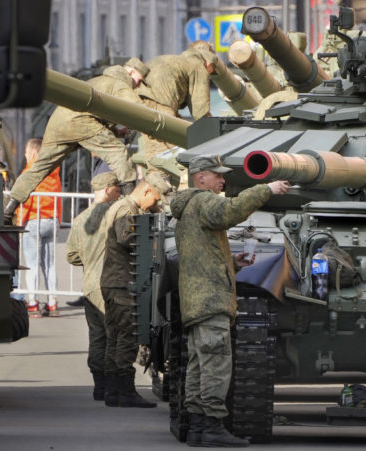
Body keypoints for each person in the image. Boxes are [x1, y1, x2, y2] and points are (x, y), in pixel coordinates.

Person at [169, 155, 290, 447]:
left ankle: (199, 427)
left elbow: (202, 256)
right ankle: (212, 426)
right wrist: (266, 190)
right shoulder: (203, 201)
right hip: (211, 300)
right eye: (217, 175)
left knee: (200, 365)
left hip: (198, 300)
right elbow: (231, 211)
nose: (223, 180)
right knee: (216, 364)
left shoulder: (189, 207)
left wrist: (232, 263)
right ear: (201, 178)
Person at [4, 57, 150, 223]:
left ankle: (8, 211)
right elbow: (139, 109)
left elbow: (97, 113)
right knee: (120, 155)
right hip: (80, 122)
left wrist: (117, 132)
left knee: (39, 168)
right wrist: (154, 119)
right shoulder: (120, 84)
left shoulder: (98, 80)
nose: (137, 86)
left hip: (59, 123)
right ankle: (131, 211)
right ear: (130, 72)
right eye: (138, 81)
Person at [100, 172, 171, 408]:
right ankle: (125, 390)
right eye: (157, 200)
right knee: (127, 337)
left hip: (116, 280)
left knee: (115, 336)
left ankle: (113, 390)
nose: (156, 205)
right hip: (122, 282)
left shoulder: (127, 207)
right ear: (147, 191)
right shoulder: (127, 210)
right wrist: (154, 240)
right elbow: (126, 237)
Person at [65, 172, 122, 400]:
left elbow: (71, 256)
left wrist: (88, 261)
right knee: (114, 334)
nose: (120, 194)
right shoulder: (116, 215)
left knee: (97, 336)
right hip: (111, 283)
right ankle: (112, 385)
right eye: (118, 189)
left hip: (90, 284)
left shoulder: (80, 220)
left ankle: (99, 385)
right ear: (108, 189)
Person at [135, 45, 216, 184]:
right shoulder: (198, 66)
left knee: (153, 150)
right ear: (209, 63)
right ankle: (166, 192)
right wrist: (214, 134)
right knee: (169, 153)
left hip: (139, 102)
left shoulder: (175, 60)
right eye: (212, 72)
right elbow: (200, 112)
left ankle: (155, 186)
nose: (210, 74)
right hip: (160, 105)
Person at [17, 138, 62, 318]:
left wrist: (19, 221)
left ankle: (33, 304)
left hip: (34, 221)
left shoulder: (30, 172)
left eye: (27, 152)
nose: (25, 156)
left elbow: (25, 200)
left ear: (34, 153)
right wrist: (57, 219)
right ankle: (52, 304)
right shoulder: (54, 172)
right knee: (50, 265)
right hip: (51, 220)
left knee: (32, 265)